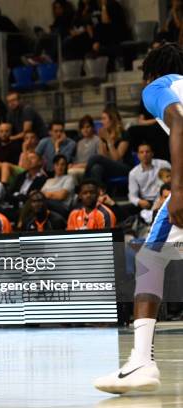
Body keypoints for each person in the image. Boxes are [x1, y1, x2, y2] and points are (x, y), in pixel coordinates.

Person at [94, 42, 183, 394]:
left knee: (149, 259)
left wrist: (177, 189)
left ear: (150, 71)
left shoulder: (157, 88)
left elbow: (178, 123)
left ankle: (141, 362)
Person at [84, 106, 133, 185]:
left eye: (104, 119)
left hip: (125, 167)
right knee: (96, 168)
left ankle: (83, 184)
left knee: (94, 158)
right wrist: (101, 140)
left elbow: (117, 158)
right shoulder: (105, 134)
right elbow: (103, 157)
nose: (101, 122)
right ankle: (98, 193)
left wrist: (108, 140)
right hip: (111, 167)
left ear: (112, 120)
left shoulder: (124, 134)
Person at [128, 143, 171, 214]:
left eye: (147, 152)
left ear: (152, 153)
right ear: (138, 155)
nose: (145, 154)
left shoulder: (164, 164)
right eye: (141, 152)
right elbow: (132, 196)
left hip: (166, 196)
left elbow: (177, 178)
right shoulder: (133, 173)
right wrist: (139, 201)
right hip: (147, 202)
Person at [69, 115, 100, 184]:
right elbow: (76, 160)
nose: (85, 130)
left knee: (72, 172)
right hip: (78, 167)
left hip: (90, 168)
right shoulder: (79, 143)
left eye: (87, 127)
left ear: (92, 128)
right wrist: (72, 165)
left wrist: (78, 166)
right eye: (82, 128)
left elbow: (98, 160)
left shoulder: (97, 140)